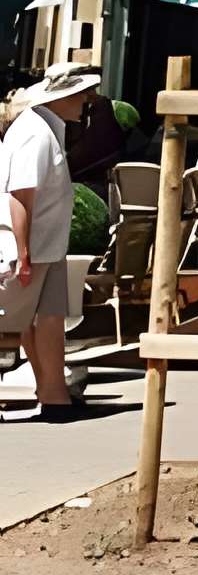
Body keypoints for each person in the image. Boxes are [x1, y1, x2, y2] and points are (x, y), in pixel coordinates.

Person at [0, 63, 101, 420]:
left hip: (45, 246)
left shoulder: (41, 128)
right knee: (10, 326)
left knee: (44, 320)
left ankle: (54, 396)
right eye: (79, 94)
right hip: (32, 247)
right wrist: (23, 253)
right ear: (60, 97)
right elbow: (19, 196)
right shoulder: (36, 134)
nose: (86, 101)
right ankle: (52, 396)